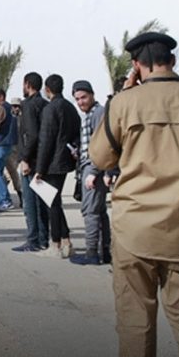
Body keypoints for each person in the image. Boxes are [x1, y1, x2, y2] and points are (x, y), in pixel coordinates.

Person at [89, 32, 179, 357]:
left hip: (134, 230)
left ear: (137, 66)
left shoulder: (124, 103)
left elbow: (100, 158)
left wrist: (122, 97)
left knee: (135, 322)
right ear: (173, 62)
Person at [35, 74, 79, 259]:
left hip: (52, 163)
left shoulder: (50, 109)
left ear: (47, 89)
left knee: (51, 203)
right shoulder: (70, 107)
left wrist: (39, 169)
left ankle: (56, 244)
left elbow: (46, 140)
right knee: (56, 202)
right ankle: (66, 239)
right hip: (65, 160)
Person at [69, 80, 112, 266]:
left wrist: (93, 171)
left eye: (83, 97)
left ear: (92, 94)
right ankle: (104, 251)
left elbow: (101, 145)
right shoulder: (90, 115)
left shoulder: (98, 113)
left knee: (90, 211)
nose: (80, 102)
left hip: (93, 168)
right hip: (90, 165)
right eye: (77, 99)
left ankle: (92, 252)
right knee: (99, 211)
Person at [13, 73, 49, 253]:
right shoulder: (45, 104)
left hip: (31, 161)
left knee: (30, 203)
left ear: (27, 84)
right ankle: (44, 238)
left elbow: (32, 135)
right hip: (42, 160)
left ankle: (33, 239)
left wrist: (25, 159)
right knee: (42, 201)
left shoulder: (28, 105)